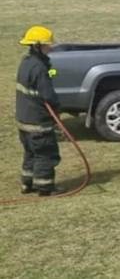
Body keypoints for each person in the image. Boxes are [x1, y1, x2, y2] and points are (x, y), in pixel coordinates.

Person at [16, 26, 62, 196]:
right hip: (38, 123)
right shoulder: (39, 68)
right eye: (47, 45)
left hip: (23, 119)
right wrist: (57, 107)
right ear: (37, 46)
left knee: (31, 153)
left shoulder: (26, 62)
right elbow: (48, 95)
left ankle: (27, 184)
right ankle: (45, 187)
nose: (50, 48)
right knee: (45, 154)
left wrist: (52, 72)